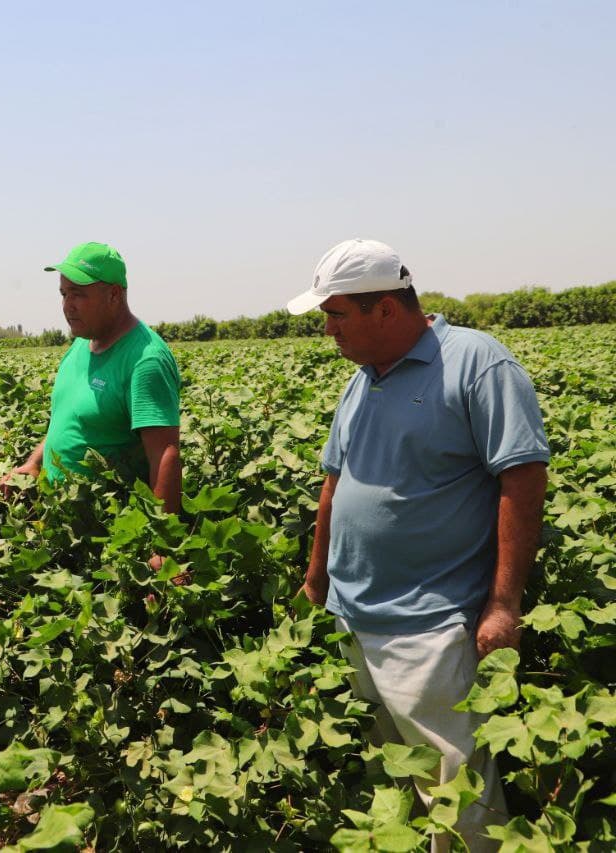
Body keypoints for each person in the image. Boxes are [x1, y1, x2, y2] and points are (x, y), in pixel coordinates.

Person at [289, 239, 550, 851]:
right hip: (355, 614)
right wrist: (316, 576)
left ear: (385, 309)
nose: (328, 331)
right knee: (394, 783)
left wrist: (503, 601)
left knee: (456, 790)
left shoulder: (476, 363)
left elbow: (523, 476)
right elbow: (335, 484)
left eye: (337, 315)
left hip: (428, 622)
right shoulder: (362, 381)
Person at [0, 241, 182, 518]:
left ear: (113, 295)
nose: (67, 306)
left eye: (77, 294)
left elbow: (165, 455)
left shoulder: (145, 359)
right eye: (63, 294)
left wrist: (162, 542)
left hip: (105, 526)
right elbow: (70, 420)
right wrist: (34, 463)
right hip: (59, 518)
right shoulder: (81, 345)